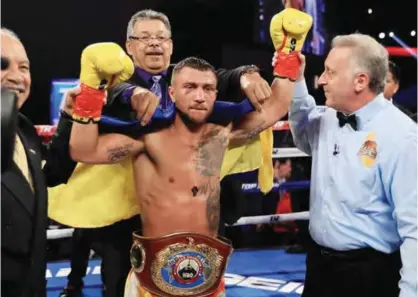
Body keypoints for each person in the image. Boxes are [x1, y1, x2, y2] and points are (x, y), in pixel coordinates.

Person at [69, 8, 312, 296]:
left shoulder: (220, 137)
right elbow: (82, 149)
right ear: (171, 92)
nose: (199, 95)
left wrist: (290, 47)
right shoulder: (147, 140)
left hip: (207, 278)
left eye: (208, 88)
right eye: (190, 87)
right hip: (151, 279)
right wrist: (88, 91)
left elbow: (276, 107)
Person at [287, 33, 417, 297]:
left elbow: (415, 227)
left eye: (330, 72)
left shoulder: (402, 137)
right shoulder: (329, 118)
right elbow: (302, 137)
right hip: (319, 268)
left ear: (360, 81)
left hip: (369, 276)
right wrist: (297, 79)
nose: (321, 79)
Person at [1, 28, 76, 297]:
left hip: (32, 284)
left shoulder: (23, 129)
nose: (17, 76)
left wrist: (68, 117)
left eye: (24, 67)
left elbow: (50, 175)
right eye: (2, 65)